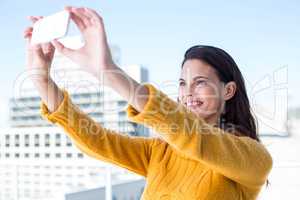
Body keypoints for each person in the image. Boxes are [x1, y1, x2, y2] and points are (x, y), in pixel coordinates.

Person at [23, 6, 272, 200]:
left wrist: (109, 73)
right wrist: (41, 81)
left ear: (228, 90)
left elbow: (194, 136)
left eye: (200, 82)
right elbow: (97, 141)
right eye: (183, 83)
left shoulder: (254, 159)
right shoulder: (159, 153)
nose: (188, 92)